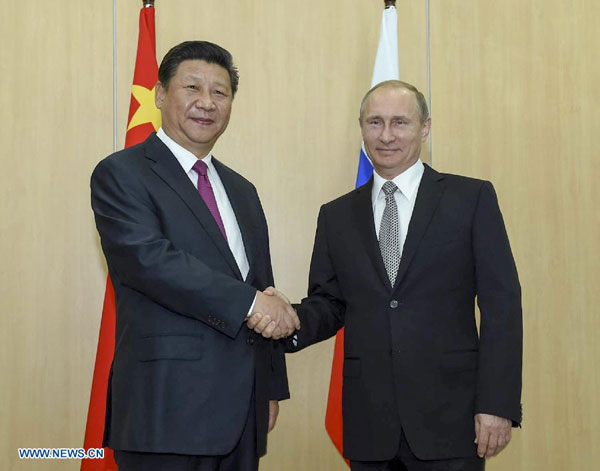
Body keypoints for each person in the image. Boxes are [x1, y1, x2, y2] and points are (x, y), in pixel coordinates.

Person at [257, 80, 523, 470]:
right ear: (361, 127)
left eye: (400, 122)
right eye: (374, 122)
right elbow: (330, 305)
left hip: (452, 420)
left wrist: (497, 404)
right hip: (370, 422)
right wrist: (287, 322)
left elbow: (502, 308)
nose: (386, 135)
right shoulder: (336, 215)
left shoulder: (471, 199)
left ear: (424, 128)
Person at [90, 40, 299, 471]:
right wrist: (252, 304)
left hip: (243, 413)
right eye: (192, 88)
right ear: (161, 95)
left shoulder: (243, 190)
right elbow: (151, 261)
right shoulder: (121, 174)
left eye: (220, 93)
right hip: (164, 410)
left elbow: (262, 283)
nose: (207, 103)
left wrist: (271, 387)